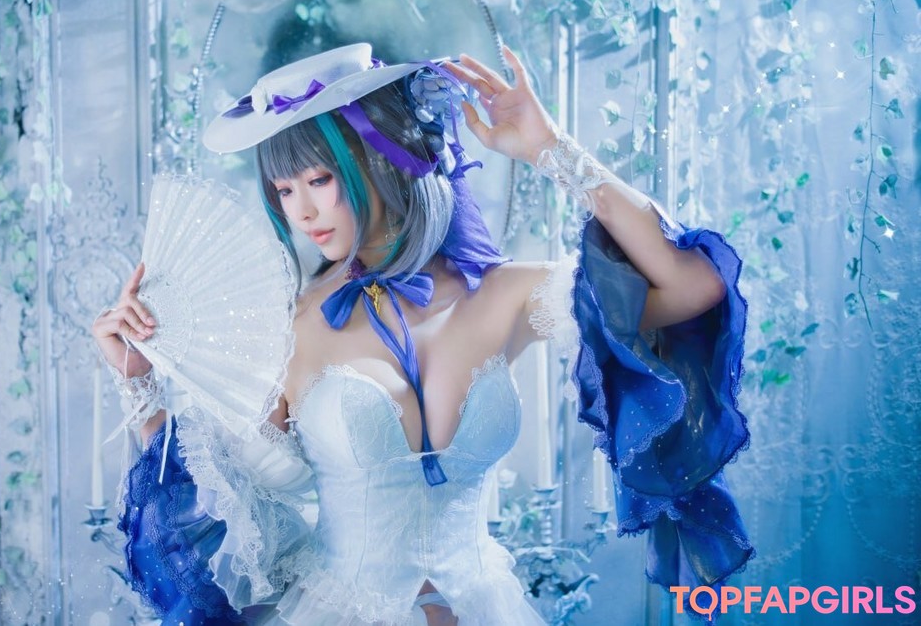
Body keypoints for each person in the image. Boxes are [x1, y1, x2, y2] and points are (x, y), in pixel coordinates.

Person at [91, 43, 753, 625]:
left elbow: (692, 285)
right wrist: (139, 387)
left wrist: (547, 146)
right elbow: (222, 505)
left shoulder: (504, 297)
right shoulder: (292, 326)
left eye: (319, 178)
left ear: (383, 160)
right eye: (284, 190)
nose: (303, 211)